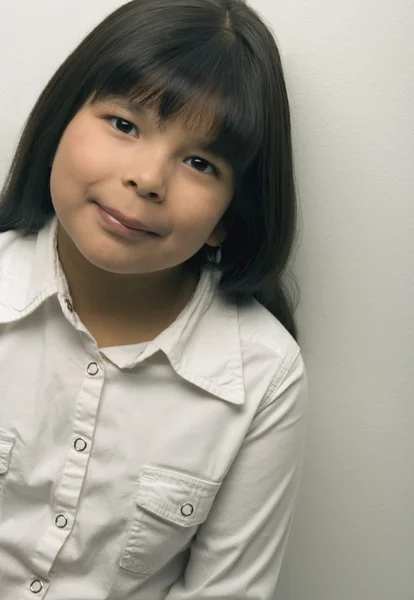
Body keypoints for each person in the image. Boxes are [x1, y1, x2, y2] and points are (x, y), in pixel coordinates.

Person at [0, 0, 307, 598]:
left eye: (200, 162)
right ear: (61, 121)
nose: (148, 177)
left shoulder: (265, 375)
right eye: (124, 124)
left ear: (228, 217)